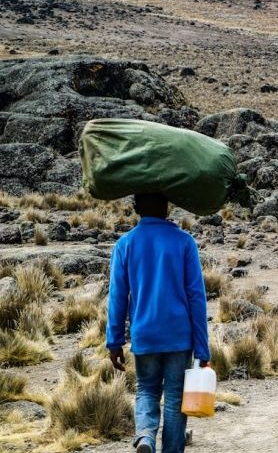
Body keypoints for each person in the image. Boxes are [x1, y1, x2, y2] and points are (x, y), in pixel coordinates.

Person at [108, 193, 210, 453]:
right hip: (179, 336)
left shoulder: (125, 244)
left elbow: (118, 297)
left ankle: (145, 437)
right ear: (166, 207)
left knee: (146, 391)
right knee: (175, 398)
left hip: (145, 335)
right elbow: (196, 297)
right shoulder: (184, 242)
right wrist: (202, 348)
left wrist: (115, 341)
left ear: (137, 209)